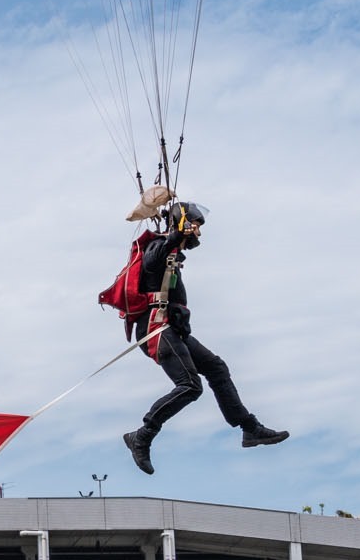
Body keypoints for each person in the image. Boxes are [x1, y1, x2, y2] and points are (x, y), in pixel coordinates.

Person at [109, 194, 288, 475]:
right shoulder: (158, 247)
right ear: (182, 224)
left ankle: (249, 429)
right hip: (156, 328)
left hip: (170, 329)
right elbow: (153, 260)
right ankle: (141, 436)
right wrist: (174, 234)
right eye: (195, 224)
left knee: (216, 368)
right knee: (191, 385)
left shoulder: (173, 255)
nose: (199, 231)